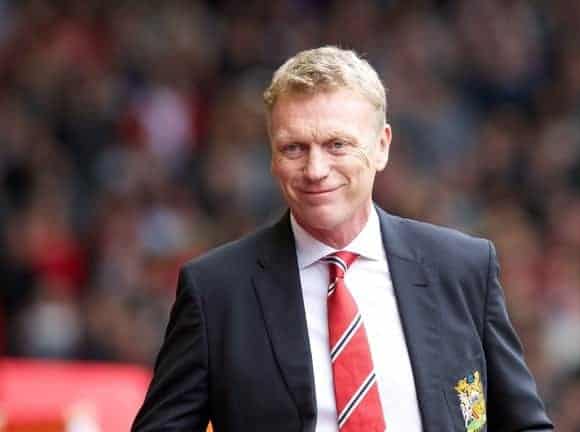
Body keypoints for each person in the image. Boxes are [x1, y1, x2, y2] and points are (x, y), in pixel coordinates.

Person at [132, 46, 553, 432]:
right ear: (272, 156)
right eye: (294, 147)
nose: (315, 169)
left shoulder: (462, 268)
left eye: (337, 145)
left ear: (382, 146)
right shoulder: (216, 292)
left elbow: (524, 425)